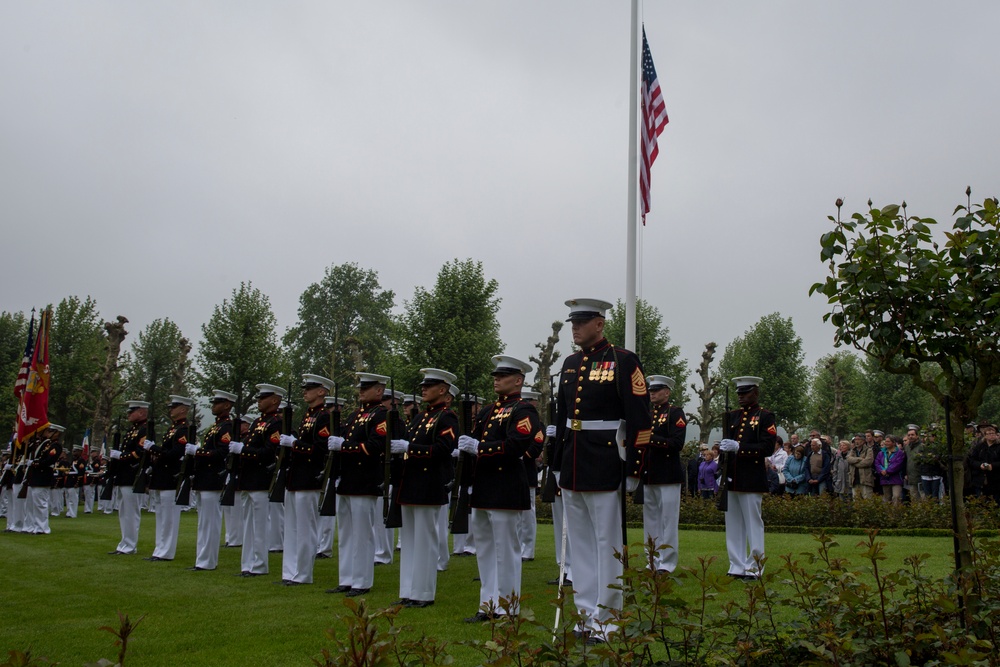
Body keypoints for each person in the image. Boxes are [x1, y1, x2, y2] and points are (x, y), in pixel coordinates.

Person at [551, 298, 652, 642]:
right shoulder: (569, 363)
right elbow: (561, 418)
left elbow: (640, 415)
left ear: (600, 323)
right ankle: (585, 614)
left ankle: (608, 618)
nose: (575, 328)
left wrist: (635, 466)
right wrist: (555, 464)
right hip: (573, 459)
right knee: (579, 543)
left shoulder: (623, 360)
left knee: (607, 541)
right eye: (572, 322)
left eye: (581, 321)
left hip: (607, 458)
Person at [458, 355, 543, 622]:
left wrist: (480, 448)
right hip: (483, 485)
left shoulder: (523, 411)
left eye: (502, 376)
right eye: (495, 376)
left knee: (506, 549)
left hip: (506, 485)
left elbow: (516, 445)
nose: (496, 380)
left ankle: (507, 606)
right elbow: (473, 437)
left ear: (518, 380)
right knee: (484, 548)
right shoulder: (489, 410)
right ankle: (488, 603)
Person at [390, 368, 459, 609]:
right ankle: (408, 589)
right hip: (411, 483)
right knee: (409, 540)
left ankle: (424, 592)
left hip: (429, 484)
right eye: (423, 385)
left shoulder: (447, 417)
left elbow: (442, 449)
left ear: (442, 390)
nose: (423, 389)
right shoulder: (420, 418)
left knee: (425, 540)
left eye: (428, 386)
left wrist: (410, 448)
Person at [326, 372, 389, 596]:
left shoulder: (382, 415)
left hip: (365, 480)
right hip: (348, 480)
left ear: (379, 391)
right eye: (361, 387)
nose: (361, 391)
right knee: (346, 533)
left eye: (367, 387)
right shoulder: (356, 415)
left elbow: (375, 445)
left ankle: (361, 581)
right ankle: (346, 578)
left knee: (362, 534)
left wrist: (345, 446)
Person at [718, 376, 776, 579]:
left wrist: (740, 447)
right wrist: (721, 469)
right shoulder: (732, 416)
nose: (741, 397)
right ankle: (736, 564)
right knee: (733, 523)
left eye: (745, 393)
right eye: (739, 394)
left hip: (751, 477)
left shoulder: (765, 416)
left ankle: (755, 566)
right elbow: (726, 446)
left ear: (756, 393)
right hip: (732, 476)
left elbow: (768, 447)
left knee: (753, 522)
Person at [278, 374, 332, 586]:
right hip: (296, 477)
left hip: (309, 477)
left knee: (305, 528)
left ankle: (303, 573)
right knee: (291, 528)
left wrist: (295, 444)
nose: (305, 391)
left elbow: (320, 451)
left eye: (310, 388)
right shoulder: (308, 416)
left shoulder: (323, 417)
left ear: (321, 391)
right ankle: (290, 571)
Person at [628, 375, 685, 574]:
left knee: (668, 520)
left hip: (668, 474)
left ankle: (667, 562)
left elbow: (676, 443)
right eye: (650, 390)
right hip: (649, 473)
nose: (651, 393)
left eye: (656, 390)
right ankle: (651, 559)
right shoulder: (647, 414)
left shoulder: (675, 413)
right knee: (650, 519)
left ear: (667, 392)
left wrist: (650, 438)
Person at [231, 383, 284, 577]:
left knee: (260, 525)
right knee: (248, 524)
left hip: (261, 479)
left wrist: (243, 450)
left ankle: (259, 565)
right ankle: (247, 564)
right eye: (259, 398)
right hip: (248, 478)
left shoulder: (276, 424)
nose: (259, 402)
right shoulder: (257, 423)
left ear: (274, 400)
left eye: (263, 398)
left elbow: (269, 453)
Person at [188, 390, 235, 571]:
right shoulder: (216, 427)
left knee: (210, 522)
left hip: (213, 478)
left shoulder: (227, 428)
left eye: (217, 403)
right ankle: (202, 559)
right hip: (203, 478)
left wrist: (198, 452)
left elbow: (222, 453)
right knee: (203, 523)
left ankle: (207, 561)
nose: (213, 406)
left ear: (227, 405)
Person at [144, 395, 192, 561]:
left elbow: (174, 454)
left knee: (169, 517)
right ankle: (159, 549)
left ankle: (166, 552)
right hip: (162, 476)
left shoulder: (183, 430)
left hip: (171, 477)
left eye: (174, 407)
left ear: (183, 409)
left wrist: (154, 448)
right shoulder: (173, 429)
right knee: (161, 516)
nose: (171, 410)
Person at [109, 400, 149, 555]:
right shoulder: (133, 430)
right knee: (123, 511)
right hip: (124, 474)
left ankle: (130, 545)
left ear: (141, 412)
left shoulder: (144, 430)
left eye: (131, 411)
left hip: (133, 474)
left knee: (131, 512)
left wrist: (122, 456)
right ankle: (124, 543)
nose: (128, 414)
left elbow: (140, 452)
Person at [517, 387, 543, 562]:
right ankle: (517, 547)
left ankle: (528, 549)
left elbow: (536, 445)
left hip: (526, 470)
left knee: (527, 514)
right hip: (512, 471)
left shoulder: (538, 424)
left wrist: (521, 455)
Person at [24, 424, 64, 534]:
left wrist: (35, 463)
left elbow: (49, 461)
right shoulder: (45, 444)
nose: (46, 432)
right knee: (33, 504)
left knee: (41, 504)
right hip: (36, 476)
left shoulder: (56, 446)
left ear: (56, 433)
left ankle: (42, 528)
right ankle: (34, 526)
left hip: (43, 476)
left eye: (50, 431)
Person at [223, 413, 252, 548]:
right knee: (228, 508)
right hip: (231, 474)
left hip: (240, 475)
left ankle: (236, 538)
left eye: (241, 424)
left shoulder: (247, 439)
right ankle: (230, 536)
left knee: (236, 510)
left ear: (247, 425)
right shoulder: (237, 438)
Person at [968, 422, 1000, 504]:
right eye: (989, 434)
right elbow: (971, 460)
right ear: (985, 435)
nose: (991, 435)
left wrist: (992, 466)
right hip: (981, 480)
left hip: (996, 481)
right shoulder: (979, 447)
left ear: (996, 435)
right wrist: (980, 465)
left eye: (993, 433)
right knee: (982, 503)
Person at [875, 434, 906, 505]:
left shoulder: (899, 453)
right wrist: (881, 470)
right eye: (886, 441)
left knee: (896, 496)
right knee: (886, 498)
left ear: (894, 442)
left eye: (888, 441)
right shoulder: (881, 453)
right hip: (884, 479)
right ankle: (887, 514)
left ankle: (896, 513)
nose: (886, 443)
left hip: (896, 478)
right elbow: (877, 462)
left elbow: (898, 464)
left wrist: (887, 471)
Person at [846, 433, 874, 500]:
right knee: (856, 500)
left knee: (867, 500)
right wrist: (859, 459)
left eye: (859, 439)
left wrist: (854, 463)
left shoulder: (868, 450)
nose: (856, 441)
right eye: (855, 439)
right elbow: (848, 459)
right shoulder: (853, 450)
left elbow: (867, 462)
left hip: (865, 480)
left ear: (864, 441)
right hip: (854, 480)